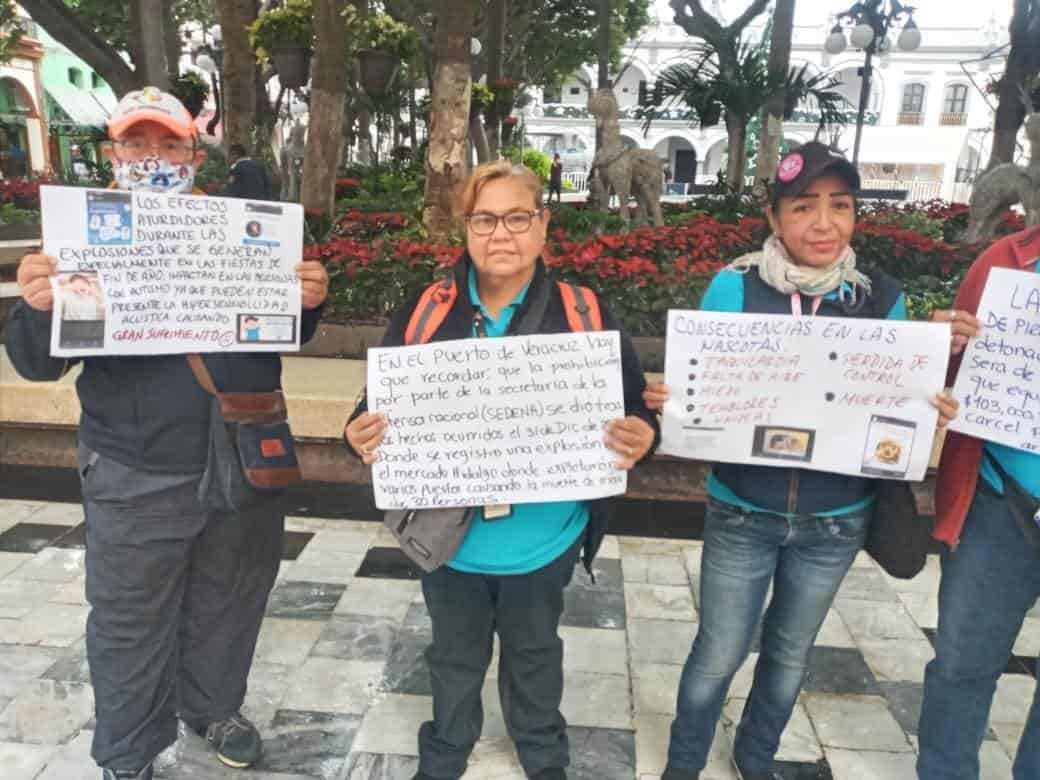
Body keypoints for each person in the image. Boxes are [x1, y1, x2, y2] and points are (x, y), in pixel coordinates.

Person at [6, 87, 330, 780]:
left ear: (193, 153)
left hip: (239, 454)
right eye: (136, 142)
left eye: (169, 144)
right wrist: (36, 308)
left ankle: (214, 708)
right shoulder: (81, 237)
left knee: (232, 598)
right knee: (129, 620)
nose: (153, 157)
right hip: (133, 468)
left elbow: (276, 335)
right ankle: (128, 754)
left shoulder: (240, 229)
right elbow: (39, 364)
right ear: (112, 153)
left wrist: (307, 297)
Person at [641, 142, 961, 780]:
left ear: (854, 215)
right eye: (804, 206)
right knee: (718, 651)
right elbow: (700, 390)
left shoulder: (880, 298)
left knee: (790, 654)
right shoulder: (734, 288)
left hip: (837, 519)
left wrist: (929, 398)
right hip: (741, 510)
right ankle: (683, 764)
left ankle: (755, 756)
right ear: (774, 216)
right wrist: (674, 397)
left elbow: (892, 406)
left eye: (839, 206)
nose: (823, 222)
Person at [344, 160, 659, 780]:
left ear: (543, 225)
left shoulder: (582, 310)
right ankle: (444, 754)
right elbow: (375, 403)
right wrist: (358, 429)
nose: (501, 233)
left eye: (518, 217)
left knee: (536, 654)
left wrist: (643, 433)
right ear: (465, 229)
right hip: (450, 538)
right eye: (485, 219)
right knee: (454, 657)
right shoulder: (428, 307)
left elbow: (632, 405)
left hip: (545, 537)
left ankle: (544, 757)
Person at [916, 229, 1038, 780]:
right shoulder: (1006, 261)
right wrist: (945, 346)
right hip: (999, 501)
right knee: (962, 666)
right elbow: (944, 381)